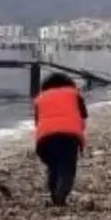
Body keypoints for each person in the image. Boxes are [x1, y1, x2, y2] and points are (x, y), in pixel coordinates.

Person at [33, 72, 88, 207]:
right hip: (68, 136)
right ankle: (60, 197)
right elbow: (84, 116)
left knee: (53, 167)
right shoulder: (75, 95)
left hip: (45, 138)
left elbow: (37, 121)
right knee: (67, 169)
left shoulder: (40, 98)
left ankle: (54, 196)